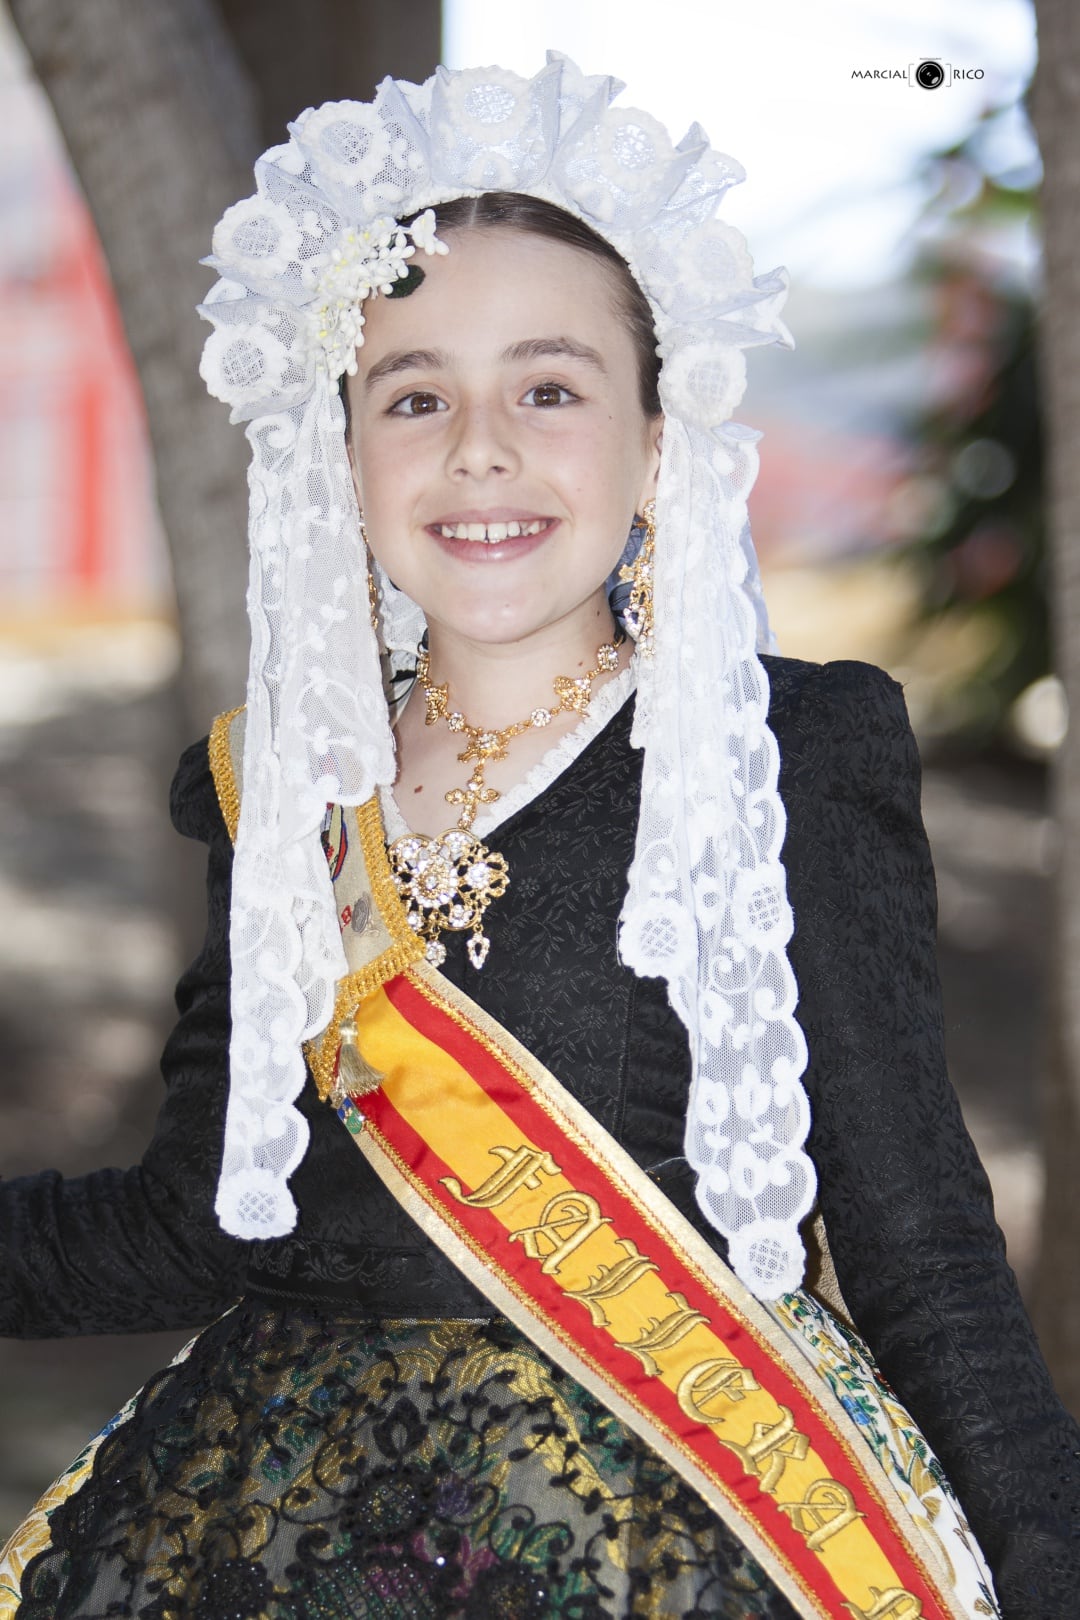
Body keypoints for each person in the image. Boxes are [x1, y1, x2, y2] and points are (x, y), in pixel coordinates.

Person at [1, 55, 1077, 1620]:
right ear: (343, 453)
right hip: (278, 1541)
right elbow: (198, 1221)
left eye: (551, 387)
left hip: (677, 1536)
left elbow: (920, 1246)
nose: (480, 447)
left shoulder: (779, 755)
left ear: (657, 441)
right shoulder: (282, 790)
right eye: (415, 393)